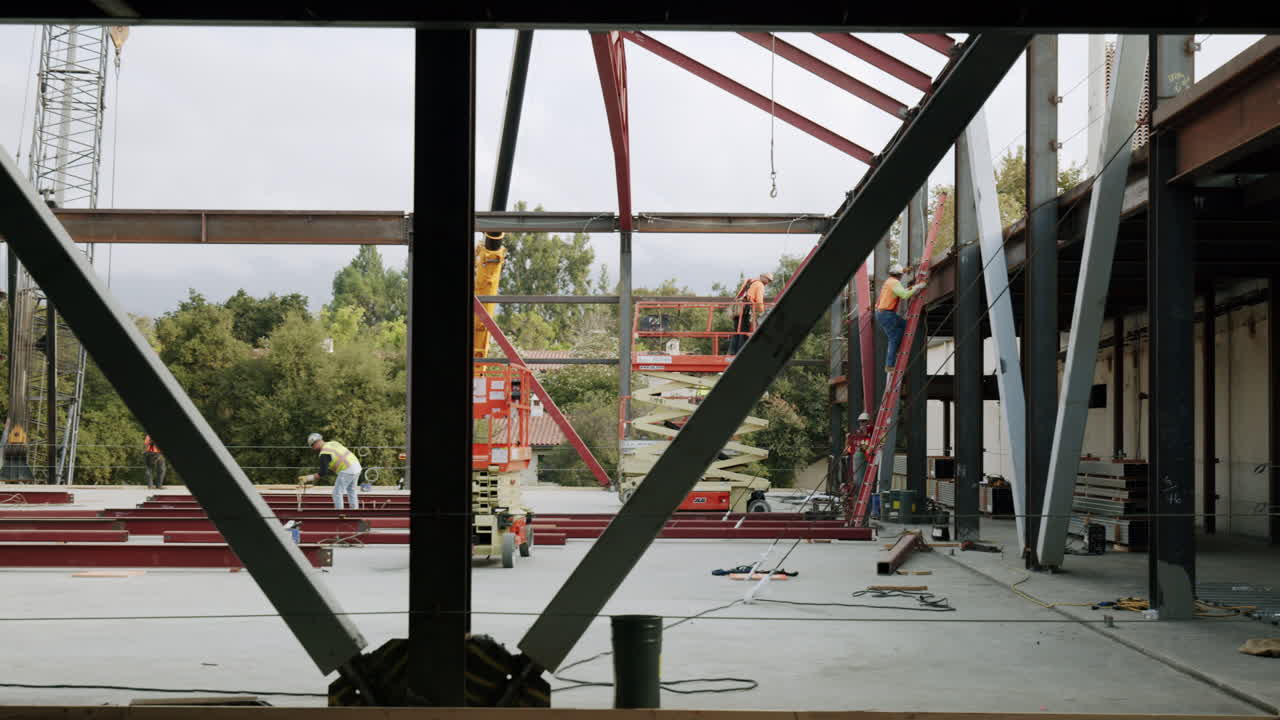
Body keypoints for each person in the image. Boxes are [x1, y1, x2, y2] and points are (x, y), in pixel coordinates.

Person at [875, 263, 926, 374]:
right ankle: (890, 365)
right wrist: (918, 287)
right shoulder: (894, 282)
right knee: (894, 338)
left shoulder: (890, 281)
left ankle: (895, 353)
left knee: (905, 327)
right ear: (899, 275)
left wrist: (913, 288)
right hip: (886, 314)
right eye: (902, 274)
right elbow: (904, 295)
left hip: (885, 314)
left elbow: (902, 291)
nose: (903, 275)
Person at [303, 433, 363, 510]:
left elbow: (323, 472)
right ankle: (355, 511)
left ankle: (340, 514)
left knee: (337, 493)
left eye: (312, 445)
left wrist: (308, 478)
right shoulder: (332, 443)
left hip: (347, 469)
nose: (312, 448)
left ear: (316, 442)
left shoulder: (324, 453)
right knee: (351, 490)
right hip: (356, 465)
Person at [727, 272, 774, 355]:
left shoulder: (749, 282)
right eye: (768, 280)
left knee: (737, 329)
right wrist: (762, 312)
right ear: (763, 278)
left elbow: (740, 294)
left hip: (738, 307)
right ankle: (740, 352)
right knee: (744, 329)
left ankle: (732, 351)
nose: (768, 283)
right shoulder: (760, 285)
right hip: (746, 308)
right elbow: (759, 301)